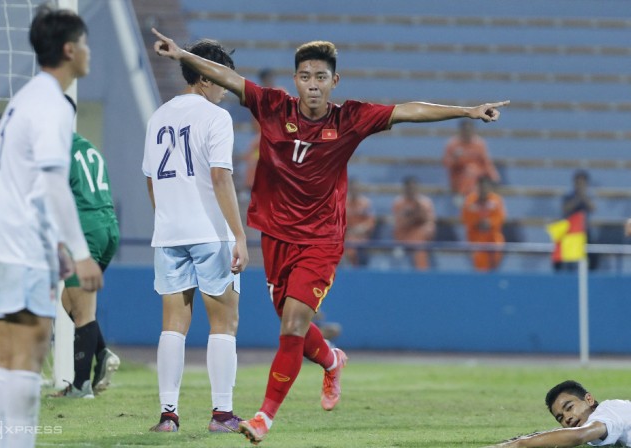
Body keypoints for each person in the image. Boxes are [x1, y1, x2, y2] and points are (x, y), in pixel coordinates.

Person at [151, 27, 509, 445]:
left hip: (321, 239)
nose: (313, 85)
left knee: (293, 323)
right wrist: (181, 54)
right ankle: (332, 360)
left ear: (333, 82)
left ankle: (264, 416)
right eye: (305, 76)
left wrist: (466, 111)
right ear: (295, 80)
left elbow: (408, 109)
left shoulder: (350, 118)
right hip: (276, 235)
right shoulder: (271, 106)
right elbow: (228, 78)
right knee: (292, 325)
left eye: (320, 77)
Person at [0, 5, 102, 447]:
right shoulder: (52, 104)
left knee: (5, 358)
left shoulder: (26, 97)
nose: (88, 51)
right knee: (28, 355)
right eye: (83, 43)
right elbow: (51, 184)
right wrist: (80, 253)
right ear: (68, 49)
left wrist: (55, 245)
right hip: (19, 244)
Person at [142, 38, 249, 434]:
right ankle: (222, 414)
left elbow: (150, 179)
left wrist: (168, 218)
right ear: (205, 77)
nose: (225, 86)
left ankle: (168, 415)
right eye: (221, 78)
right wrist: (239, 234)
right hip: (210, 233)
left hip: (169, 234)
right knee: (224, 322)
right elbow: (221, 177)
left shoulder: (158, 116)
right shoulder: (215, 117)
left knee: (173, 323)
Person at [49, 97, 120, 399]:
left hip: (85, 230)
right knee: (71, 300)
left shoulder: (56, 151)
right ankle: (102, 354)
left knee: (82, 311)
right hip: (108, 227)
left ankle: (81, 386)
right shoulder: (87, 147)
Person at [484, 380, 631, 447]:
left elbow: (579, 435)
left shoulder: (608, 410)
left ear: (589, 399)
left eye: (569, 407)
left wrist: (520, 444)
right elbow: (566, 433)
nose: (567, 418)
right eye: (560, 417)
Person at [442, 119, 500, 207]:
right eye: (465, 130)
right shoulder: (453, 144)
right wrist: (455, 158)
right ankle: (467, 197)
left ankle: (471, 198)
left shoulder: (479, 144)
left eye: (469, 130)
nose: (467, 133)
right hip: (458, 176)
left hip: (477, 176)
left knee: (472, 170)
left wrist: (494, 177)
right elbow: (446, 163)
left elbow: (486, 162)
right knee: (469, 171)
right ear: (461, 131)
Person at [461, 175, 506, 271]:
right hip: (476, 236)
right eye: (481, 186)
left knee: (498, 245)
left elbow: (500, 218)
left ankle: (493, 272)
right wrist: (478, 222)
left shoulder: (496, 200)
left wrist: (490, 223)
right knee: (479, 257)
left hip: (492, 235)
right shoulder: (470, 200)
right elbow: (466, 218)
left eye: (485, 187)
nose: (483, 189)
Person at [555, 169, 597, 271]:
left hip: (584, 232)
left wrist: (583, 197)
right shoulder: (568, 196)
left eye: (583, 183)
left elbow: (593, 208)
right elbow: (565, 209)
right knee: (567, 262)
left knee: (592, 255)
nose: (580, 185)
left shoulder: (588, 197)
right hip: (570, 233)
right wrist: (578, 198)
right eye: (578, 182)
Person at [391, 176, 436, 270]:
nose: (411, 190)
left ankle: (422, 278)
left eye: (413, 188)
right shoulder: (398, 203)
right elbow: (400, 224)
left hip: (420, 241)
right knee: (397, 256)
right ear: (405, 189)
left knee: (421, 251)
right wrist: (413, 218)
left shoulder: (425, 202)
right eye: (409, 188)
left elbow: (429, 223)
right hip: (402, 240)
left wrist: (417, 208)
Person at [344, 179, 377, 266]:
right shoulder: (343, 202)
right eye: (352, 187)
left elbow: (371, 221)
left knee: (358, 249)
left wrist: (361, 228)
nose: (354, 189)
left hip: (362, 237)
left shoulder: (366, 203)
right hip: (346, 236)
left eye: (356, 187)